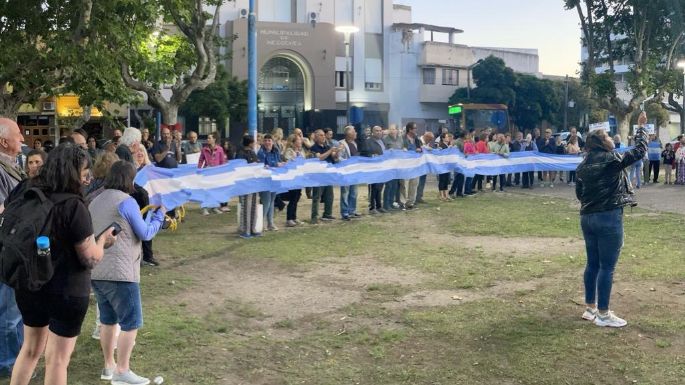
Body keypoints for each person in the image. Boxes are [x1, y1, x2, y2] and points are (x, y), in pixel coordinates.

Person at [8, 143, 117, 385]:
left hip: (28, 282)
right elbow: (89, 257)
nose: (86, 179)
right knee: (58, 359)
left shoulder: (25, 189)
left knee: (29, 350)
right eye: (84, 173)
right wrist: (103, 241)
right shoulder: (73, 206)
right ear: (74, 172)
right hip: (66, 288)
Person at [89, 161, 164, 385]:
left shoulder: (95, 199)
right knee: (131, 323)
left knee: (108, 320)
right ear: (129, 179)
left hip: (97, 270)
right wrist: (159, 216)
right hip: (121, 273)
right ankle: (123, 370)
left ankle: (109, 365)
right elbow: (145, 233)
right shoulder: (127, 201)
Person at [575, 112, 648, 328]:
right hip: (608, 216)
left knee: (593, 264)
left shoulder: (582, 165)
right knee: (607, 266)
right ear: (600, 142)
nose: (611, 138)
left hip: (587, 217)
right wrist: (641, 127)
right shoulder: (610, 159)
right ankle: (604, 315)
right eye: (607, 136)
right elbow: (640, 151)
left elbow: (580, 194)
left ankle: (591, 308)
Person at [0, 117, 26, 379]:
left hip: (15, 248)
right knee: (7, 312)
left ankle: (17, 357)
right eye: (18, 135)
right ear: (4, 141)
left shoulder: (11, 166)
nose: (22, 139)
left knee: (15, 310)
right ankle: (7, 363)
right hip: (5, 250)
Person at [309, 129, 338, 224]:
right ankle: (314, 217)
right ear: (316, 137)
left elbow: (334, 157)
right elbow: (319, 157)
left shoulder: (327, 146)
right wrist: (330, 151)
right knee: (317, 196)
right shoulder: (314, 148)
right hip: (318, 175)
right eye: (321, 135)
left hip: (328, 174)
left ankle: (327, 213)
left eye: (323, 135)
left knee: (330, 195)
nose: (323, 137)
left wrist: (337, 152)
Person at [235, 136, 261, 238]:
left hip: (254, 183)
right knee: (246, 206)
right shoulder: (241, 154)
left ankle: (253, 228)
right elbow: (240, 168)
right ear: (250, 143)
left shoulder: (252, 153)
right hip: (245, 184)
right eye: (253, 142)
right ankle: (246, 230)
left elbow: (257, 164)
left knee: (254, 205)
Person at [257, 134, 284, 231]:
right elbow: (261, 166)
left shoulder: (276, 151)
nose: (268, 142)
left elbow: (279, 162)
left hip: (274, 180)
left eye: (269, 140)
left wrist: (282, 164)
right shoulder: (261, 153)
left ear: (273, 142)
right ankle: (260, 223)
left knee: (272, 201)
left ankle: (270, 223)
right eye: (266, 140)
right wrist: (274, 165)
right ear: (263, 142)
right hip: (264, 181)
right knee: (266, 201)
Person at [198, 132, 228, 215]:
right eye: (207, 138)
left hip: (216, 173)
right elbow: (201, 160)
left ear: (214, 139)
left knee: (215, 190)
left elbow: (222, 161)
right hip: (206, 172)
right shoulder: (204, 149)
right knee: (206, 191)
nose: (208, 139)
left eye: (209, 138)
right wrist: (199, 169)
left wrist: (222, 171)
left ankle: (214, 207)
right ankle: (204, 208)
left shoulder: (220, 149)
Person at [283, 134, 307, 227]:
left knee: (297, 196)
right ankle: (289, 218)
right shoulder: (289, 151)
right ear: (293, 142)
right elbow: (290, 162)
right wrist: (296, 156)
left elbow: (303, 161)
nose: (300, 141)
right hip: (292, 178)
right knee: (293, 197)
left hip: (299, 178)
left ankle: (294, 217)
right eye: (298, 140)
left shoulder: (301, 151)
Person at [338, 126, 360, 221]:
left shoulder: (354, 143)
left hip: (354, 171)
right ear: (349, 134)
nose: (356, 133)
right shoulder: (341, 143)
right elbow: (339, 157)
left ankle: (352, 210)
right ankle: (345, 212)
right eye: (354, 131)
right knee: (345, 193)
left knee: (354, 192)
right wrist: (348, 163)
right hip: (346, 172)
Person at [363, 126, 386, 213]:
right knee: (373, 188)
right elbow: (364, 153)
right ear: (373, 132)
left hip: (382, 167)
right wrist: (372, 155)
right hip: (373, 168)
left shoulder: (383, 141)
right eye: (376, 131)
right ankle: (372, 207)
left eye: (380, 131)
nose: (379, 132)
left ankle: (379, 206)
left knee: (380, 188)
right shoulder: (368, 141)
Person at [401, 122, 423, 209]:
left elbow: (421, 148)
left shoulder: (416, 138)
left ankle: (410, 202)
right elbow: (401, 148)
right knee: (403, 183)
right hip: (404, 164)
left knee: (414, 183)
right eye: (415, 128)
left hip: (415, 164)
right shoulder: (402, 138)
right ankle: (402, 202)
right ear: (410, 129)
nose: (416, 130)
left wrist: (419, 149)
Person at [382, 125, 403, 210]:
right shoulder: (385, 139)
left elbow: (401, 148)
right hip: (388, 165)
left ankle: (391, 203)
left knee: (395, 186)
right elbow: (382, 151)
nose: (392, 131)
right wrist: (387, 151)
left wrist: (404, 149)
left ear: (397, 130)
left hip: (397, 165)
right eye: (390, 129)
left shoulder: (400, 138)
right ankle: (386, 205)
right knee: (389, 185)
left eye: (394, 129)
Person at [436, 132, 451, 201]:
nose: (448, 138)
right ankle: (441, 195)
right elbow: (439, 154)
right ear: (443, 138)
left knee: (446, 180)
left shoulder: (447, 145)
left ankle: (446, 194)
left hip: (447, 165)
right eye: (447, 137)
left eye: (448, 137)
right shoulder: (441, 145)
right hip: (442, 165)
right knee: (442, 180)